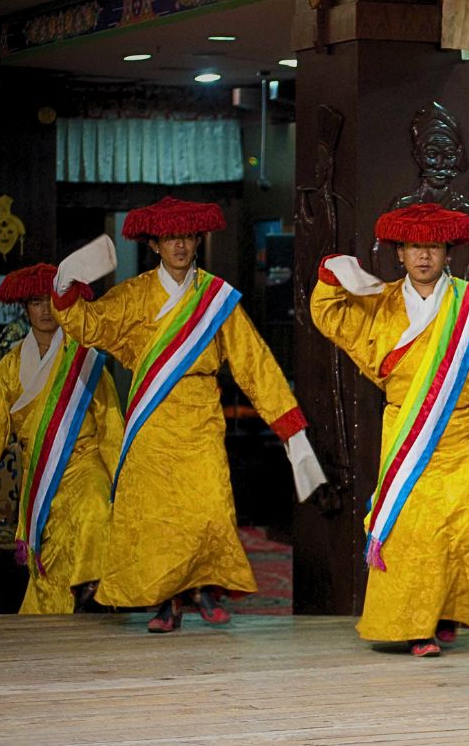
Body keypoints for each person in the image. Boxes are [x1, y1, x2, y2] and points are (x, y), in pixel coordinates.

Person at [50, 197, 324, 633]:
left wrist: (289, 428)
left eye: (188, 236)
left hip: (200, 418)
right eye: (170, 237)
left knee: (208, 507)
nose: (180, 245)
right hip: (152, 421)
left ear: (198, 240)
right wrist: (65, 292)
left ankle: (202, 588)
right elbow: (90, 325)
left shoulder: (217, 299)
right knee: (157, 516)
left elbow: (254, 364)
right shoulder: (135, 294)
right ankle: (167, 600)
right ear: (155, 244)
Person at [309, 202, 469, 657]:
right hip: (407, 431)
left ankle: (444, 612)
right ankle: (416, 627)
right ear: (400, 254)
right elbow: (330, 316)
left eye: (433, 246)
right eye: (415, 247)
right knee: (411, 532)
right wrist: (332, 272)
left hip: (462, 433)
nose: (424, 256)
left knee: (459, 527)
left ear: (447, 252)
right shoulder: (382, 301)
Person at [0, 264, 120, 614]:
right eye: (35, 302)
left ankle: (92, 588)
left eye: (52, 301)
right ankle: (54, 624)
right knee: (48, 556)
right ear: (24, 308)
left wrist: (124, 479)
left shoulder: (85, 359)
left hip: (84, 462)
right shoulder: (11, 367)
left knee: (94, 505)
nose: (46, 310)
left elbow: (109, 424)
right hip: (41, 473)